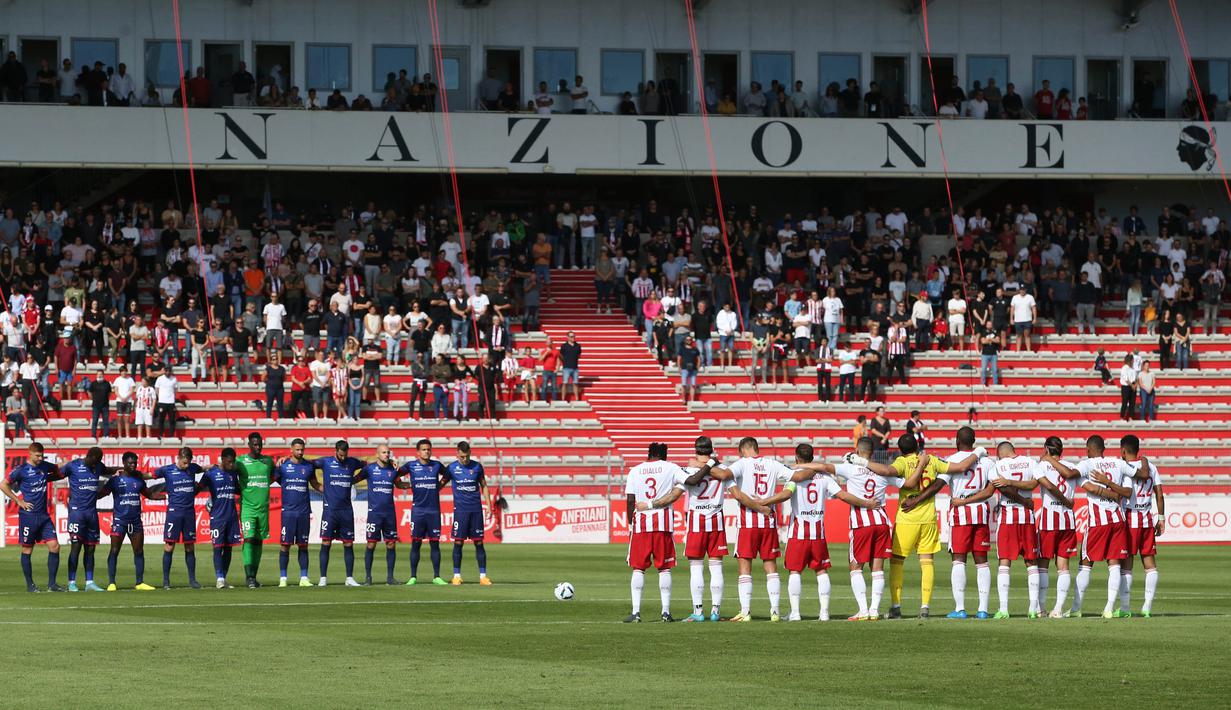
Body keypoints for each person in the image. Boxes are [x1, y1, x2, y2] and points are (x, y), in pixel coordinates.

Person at [751, 443, 881, 621]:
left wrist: (763, 501)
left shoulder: (795, 477)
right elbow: (843, 496)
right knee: (821, 571)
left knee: (795, 571)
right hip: (818, 533)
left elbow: (785, 495)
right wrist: (866, 503)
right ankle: (824, 613)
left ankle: (795, 613)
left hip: (798, 533)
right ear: (812, 458)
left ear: (797, 458)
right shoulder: (824, 477)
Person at [790, 438, 902, 620]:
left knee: (856, 567)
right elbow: (904, 483)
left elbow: (826, 467)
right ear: (872, 452)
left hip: (861, 522)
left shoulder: (850, 468)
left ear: (857, 450)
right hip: (882, 521)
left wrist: (800, 466)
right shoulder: (882, 472)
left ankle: (863, 610)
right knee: (878, 568)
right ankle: (874, 610)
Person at [884, 436, 980, 619]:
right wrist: (978, 452)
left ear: (900, 449)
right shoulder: (932, 460)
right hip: (928, 519)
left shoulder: (902, 462)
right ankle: (925, 607)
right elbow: (960, 467)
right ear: (918, 446)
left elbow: (888, 471)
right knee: (927, 562)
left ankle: (896, 607)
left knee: (897, 562)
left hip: (906, 519)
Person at [703, 437, 797, 622]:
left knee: (745, 567)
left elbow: (723, 476)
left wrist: (704, 465)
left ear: (744, 450)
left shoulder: (742, 463)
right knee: (771, 567)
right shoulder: (773, 464)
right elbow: (794, 477)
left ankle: (745, 612)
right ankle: (775, 612)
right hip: (769, 523)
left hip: (748, 523)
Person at [638, 436, 730, 622]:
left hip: (696, 521)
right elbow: (733, 487)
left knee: (696, 568)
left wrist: (650, 505)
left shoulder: (688, 470)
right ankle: (715, 612)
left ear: (695, 450)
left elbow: (673, 496)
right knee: (716, 567)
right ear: (711, 450)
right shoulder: (723, 470)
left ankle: (698, 612)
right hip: (716, 521)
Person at [1050, 436, 1139, 618]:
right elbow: (1137, 476)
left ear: (1089, 449)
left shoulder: (1088, 464)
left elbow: (1069, 474)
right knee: (1114, 564)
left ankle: (1076, 609)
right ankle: (1108, 608)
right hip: (1117, 521)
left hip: (1098, 523)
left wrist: (1049, 458)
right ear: (1103, 448)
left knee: (1085, 564)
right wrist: (1112, 489)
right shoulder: (1117, 463)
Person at [623, 442, 687, 623]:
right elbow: (687, 481)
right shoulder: (671, 467)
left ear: (649, 454)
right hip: (663, 525)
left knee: (638, 568)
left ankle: (636, 612)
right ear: (664, 455)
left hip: (641, 525)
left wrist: (630, 526)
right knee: (664, 568)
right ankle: (665, 612)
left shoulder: (635, 470)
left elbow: (630, 500)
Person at [984, 441, 1044, 618]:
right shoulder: (1030, 462)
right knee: (1031, 562)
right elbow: (1033, 484)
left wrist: (1009, 482)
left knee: (1004, 562)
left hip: (1008, 515)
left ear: (1000, 453)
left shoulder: (998, 466)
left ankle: (1003, 609)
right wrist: (1025, 501)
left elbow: (1003, 489)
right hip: (1027, 517)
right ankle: (1033, 609)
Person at [1032, 436, 1081, 618]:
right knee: (1063, 566)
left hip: (1049, 520)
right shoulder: (1071, 466)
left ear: (1046, 448)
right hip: (1068, 520)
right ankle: (1058, 609)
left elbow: (1041, 485)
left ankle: (1041, 608)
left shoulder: (1042, 465)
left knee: (1042, 565)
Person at [100, 451, 163, 591]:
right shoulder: (115, 480)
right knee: (114, 550)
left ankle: (139, 582)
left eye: (135, 462)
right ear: (124, 463)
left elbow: (149, 494)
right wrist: (88, 496)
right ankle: (112, 583)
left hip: (135, 521)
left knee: (139, 551)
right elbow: (102, 493)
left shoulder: (139, 480)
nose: (133, 465)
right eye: (130, 463)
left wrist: (166, 497)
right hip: (120, 521)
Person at [1118, 435, 1164, 617]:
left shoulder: (1124, 467)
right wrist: (1161, 518)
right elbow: (1159, 494)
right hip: (1146, 518)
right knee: (1150, 565)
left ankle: (1125, 608)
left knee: (1126, 565)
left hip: (1130, 519)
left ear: (1123, 450)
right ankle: (1147, 607)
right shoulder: (1151, 467)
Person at [311, 440, 364, 587]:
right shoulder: (325, 462)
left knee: (348, 543)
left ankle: (349, 578)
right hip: (330, 510)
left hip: (346, 510)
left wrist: (390, 461)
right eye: (340, 455)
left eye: (344, 454)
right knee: (326, 542)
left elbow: (369, 465)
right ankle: (323, 578)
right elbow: (306, 463)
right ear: (336, 451)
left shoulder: (352, 462)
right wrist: (287, 459)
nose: (342, 457)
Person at [151, 447, 205, 590]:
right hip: (174, 513)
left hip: (189, 513)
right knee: (169, 546)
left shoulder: (193, 468)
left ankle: (192, 580)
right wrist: (133, 474)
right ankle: (166, 581)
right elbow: (150, 475)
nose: (186, 466)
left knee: (189, 546)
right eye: (184, 463)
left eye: (188, 463)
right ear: (178, 458)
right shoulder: (167, 470)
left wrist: (212, 466)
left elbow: (202, 469)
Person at [397, 439, 449, 585]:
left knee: (435, 543)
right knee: (416, 543)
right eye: (424, 449)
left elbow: (448, 475)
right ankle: (413, 576)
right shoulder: (411, 466)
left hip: (433, 510)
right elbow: (395, 474)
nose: (427, 452)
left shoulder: (436, 465)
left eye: (428, 449)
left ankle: (437, 576)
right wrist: (402, 485)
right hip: (418, 510)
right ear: (418, 452)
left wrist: (439, 485)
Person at [60, 447, 111, 592]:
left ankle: (89, 582)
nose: (97, 464)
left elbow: (107, 470)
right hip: (77, 513)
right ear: (91, 457)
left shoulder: (98, 466)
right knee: (76, 547)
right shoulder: (73, 466)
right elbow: (58, 474)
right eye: (96, 460)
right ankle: (71, 582)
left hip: (92, 514)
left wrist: (121, 469)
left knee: (90, 548)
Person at [356, 443, 407, 586]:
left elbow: (399, 485)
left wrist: (414, 485)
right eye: (384, 452)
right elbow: (355, 479)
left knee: (391, 544)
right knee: (371, 544)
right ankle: (368, 578)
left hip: (390, 513)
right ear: (377, 454)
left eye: (388, 452)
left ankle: (390, 578)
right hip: (374, 513)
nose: (387, 455)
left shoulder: (393, 470)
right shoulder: (369, 469)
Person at [274, 438, 320, 587]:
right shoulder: (283, 466)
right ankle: (283, 578)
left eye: (302, 450)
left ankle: (304, 578)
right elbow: (271, 480)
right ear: (291, 450)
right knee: (285, 545)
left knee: (303, 545)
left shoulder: (308, 466)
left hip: (304, 512)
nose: (300, 452)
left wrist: (334, 491)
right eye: (297, 450)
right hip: (288, 512)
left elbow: (315, 485)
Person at [446, 441, 491, 585]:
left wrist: (489, 506)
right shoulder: (452, 468)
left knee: (478, 542)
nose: (464, 459)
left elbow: (484, 486)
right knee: (458, 542)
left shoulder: (477, 467)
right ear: (457, 454)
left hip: (476, 510)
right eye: (461, 457)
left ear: (470, 453)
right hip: (460, 511)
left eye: (466, 456)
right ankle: (456, 576)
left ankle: (483, 576)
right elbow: (440, 484)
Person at [236, 432, 275, 588]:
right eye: (255, 444)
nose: (258, 447)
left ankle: (254, 576)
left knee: (259, 540)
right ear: (249, 445)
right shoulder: (240, 461)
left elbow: (274, 476)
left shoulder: (268, 462)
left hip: (263, 509)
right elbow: (229, 476)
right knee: (249, 538)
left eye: (260, 444)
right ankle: (249, 576)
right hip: (247, 508)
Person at [199, 448, 242, 589]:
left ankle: (223, 578)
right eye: (229, 462)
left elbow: (237, 489)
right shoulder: (211, 473)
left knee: (229, 548)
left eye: (233, 462)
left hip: (232, 516)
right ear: (222, 459)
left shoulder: (233, 473)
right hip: (217, 517)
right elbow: (198, 488)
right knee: (217, 548)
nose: (231, 464)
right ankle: (219, 578)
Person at [153, 365, 178, 438]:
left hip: (171, 402)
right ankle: (161, 435)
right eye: (166, 371)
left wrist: (171, 396)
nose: (168, 372)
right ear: (164, 371)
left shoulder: (174, 379)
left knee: (172, 420)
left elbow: (175, 389)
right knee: (161, 419)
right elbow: (156, 389)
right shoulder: (160, 379)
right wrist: (160, 397)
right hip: (162, 402)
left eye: (169, 371)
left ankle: (172, 435)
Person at [1010, 286, 1036, 351]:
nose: (1022, 291)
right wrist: (1011, 318)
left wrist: (1035, 318)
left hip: (1027, 319)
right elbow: (1012, 309)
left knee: (1027, 335)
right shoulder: (1015, 297)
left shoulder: (1030, 297)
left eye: (1023, 290)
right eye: (1021, 290)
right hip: (1018, 320)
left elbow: (1034, 308)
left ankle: (1028, 350)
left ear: (1026, 290)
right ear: (1019, 290)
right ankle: (1018, 350)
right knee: (1018, 336)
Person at [559, 331, 582, 402]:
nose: (573, 338)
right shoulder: (564, 346)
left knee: (575, 383)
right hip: (566, 368)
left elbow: (578, 355)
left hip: (575, 368)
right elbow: (560, 355)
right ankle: (563, 399)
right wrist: (565, 362)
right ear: (568, 337)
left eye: (574, 336)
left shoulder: (578, 346)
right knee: (565, 383)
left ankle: (577, 399)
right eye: (571, 336)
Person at [262, 351, 287, 419]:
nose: (275, 360)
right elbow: (263, 378)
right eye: (273, 359)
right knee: (270, 402)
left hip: (280, 388)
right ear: (271, 361)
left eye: (276, 359)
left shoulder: (282, 368)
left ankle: (281, 416)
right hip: (270, 388)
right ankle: (268, 416)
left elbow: (284, 378)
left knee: (280, 403)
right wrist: (269, 383)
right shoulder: (268, 368)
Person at [1118, 354, 1137, 420]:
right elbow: (1126, 379)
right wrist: (1132, 385)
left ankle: (1131, 417)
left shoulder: (1133, 368)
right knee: (1125, 402)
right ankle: (1122, 416)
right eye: (1132, 360)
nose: (1133, 361)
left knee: (1132, 402)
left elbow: (1135, 378)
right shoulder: (1124, 368)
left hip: (1133, 386)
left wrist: (1135, 385)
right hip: (1126, 387)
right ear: (1130, 360)